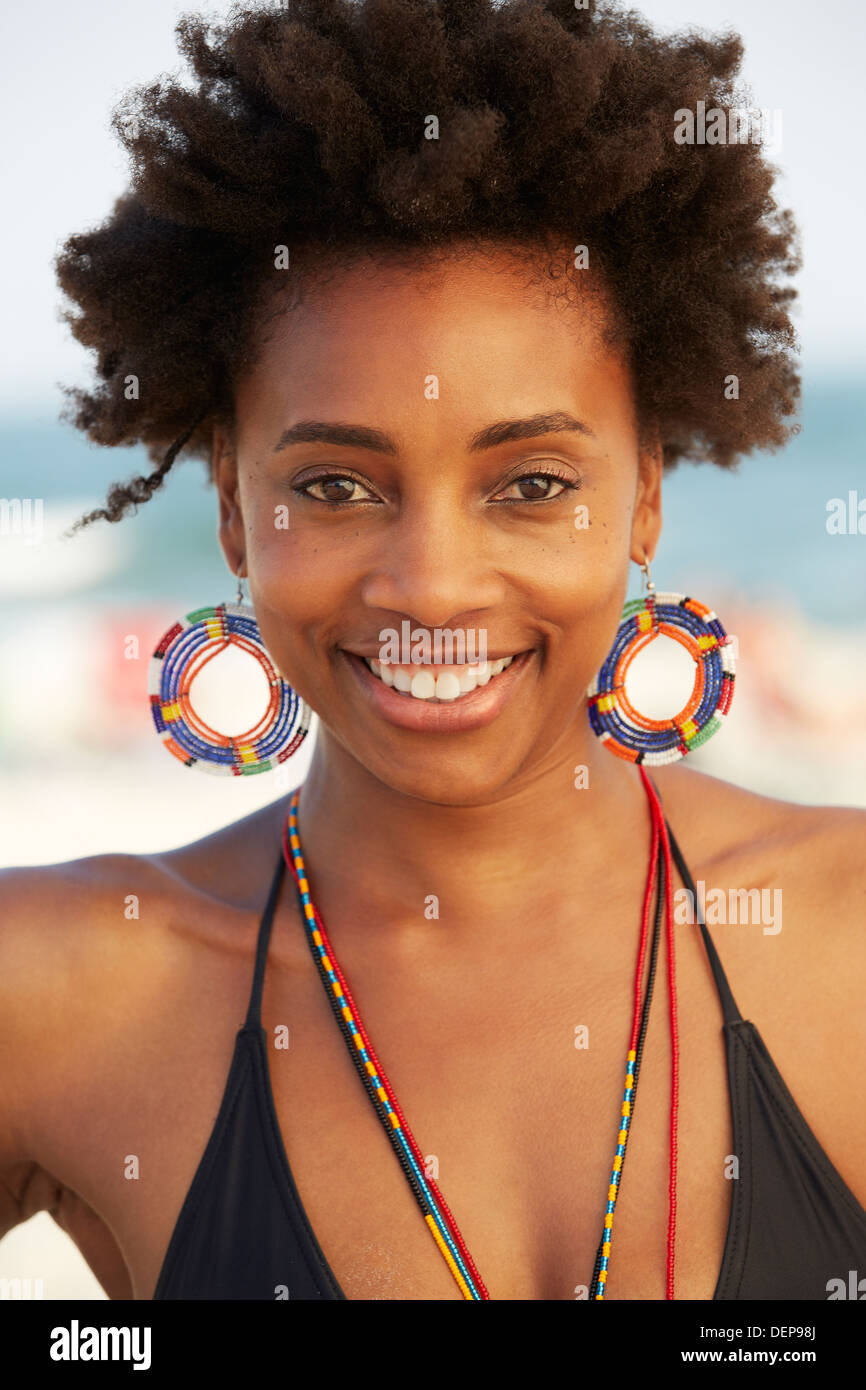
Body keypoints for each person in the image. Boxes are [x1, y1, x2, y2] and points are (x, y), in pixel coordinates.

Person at [1, 0, 864, 1302]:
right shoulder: (59, 988)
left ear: (645, 490)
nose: (433, 585)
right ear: (233, 504)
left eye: (528, 483)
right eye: (338, 487)